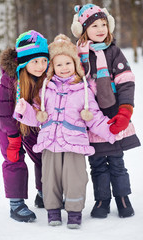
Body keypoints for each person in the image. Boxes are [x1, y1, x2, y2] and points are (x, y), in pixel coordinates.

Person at [14, 34, 116, 229]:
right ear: (52, 67)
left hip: (75, 142)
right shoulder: (45, 89)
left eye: (67, 63)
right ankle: (52, 210)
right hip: (50, 142)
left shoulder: (82, 90)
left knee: (75, 177)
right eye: (58, 64)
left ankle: (74, 211)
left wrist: (110, 131)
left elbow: (93, 116)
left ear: (75, 63)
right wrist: (24, 110)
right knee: (50, 177)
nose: (64, 68)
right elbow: (37, 116)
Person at [71, 3, 141, 219]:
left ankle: (122, 197)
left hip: (112, 115)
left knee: (117, 160)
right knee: (98, 162)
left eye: (104, 24)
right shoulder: (78, 55)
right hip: (90, 118)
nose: (101, 29)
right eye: (94, 26)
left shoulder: (113, 52)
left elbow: (126, 81)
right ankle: (102, 199)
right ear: (83, 30)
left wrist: (125, 110)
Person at [0, 30, 49, 222]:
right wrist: (13, 137)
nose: (41, 66)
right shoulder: (9, 81)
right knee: (14, 157)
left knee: (41, 152)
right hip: (5, 120)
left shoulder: (44, 77)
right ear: (24, 62)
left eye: (43, 60)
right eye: (35, 61)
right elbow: (3, 112)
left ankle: (43, 194)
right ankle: (16, 205)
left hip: (29, 118)